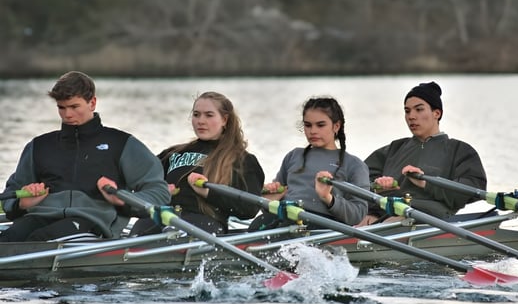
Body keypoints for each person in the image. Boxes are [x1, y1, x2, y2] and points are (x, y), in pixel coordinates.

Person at [0, 71, 171, 242]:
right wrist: (23, 203)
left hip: (92, 223)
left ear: (92, 103)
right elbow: (11, 194)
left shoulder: (122, 144)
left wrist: (122, 200)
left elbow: (159, 192)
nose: (67, 115)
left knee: (41, 239)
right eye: (61, 107)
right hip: (39, 217)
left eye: (74, 107)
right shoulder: (39, 146)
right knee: (8, 239)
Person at [129, 91, 265, 236]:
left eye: (209, 115)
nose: (200, 120)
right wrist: (157, 193)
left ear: (225, 120)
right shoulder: (171, 154)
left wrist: (209, 193)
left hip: (203, 221)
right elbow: (140, 185)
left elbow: (249, 209)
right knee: (139, 231)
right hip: (161, 216)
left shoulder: (242, 160)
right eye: (196, 114)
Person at [360, 81, 487, 225]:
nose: (411, 116)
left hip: (425, 218)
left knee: (391, 223)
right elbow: (359, 178)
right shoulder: (395, 148)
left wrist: (425, 183)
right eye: (407, 111)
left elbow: (473, 189)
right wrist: (377, 187)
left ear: (436, 113)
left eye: (419, 110)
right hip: (383, 212)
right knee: (360, 220)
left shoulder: (459, 150)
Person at [249, 96, 370, 231]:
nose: (313, 131)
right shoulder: (293, 156)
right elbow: (269, 207)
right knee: (257, 224)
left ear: (336, 126)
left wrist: (328, 198)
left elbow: (358, 214)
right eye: (308, 125)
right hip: (285, 218)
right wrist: (269, 202)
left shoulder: (354, 165)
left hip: (322, 226)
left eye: (320, 125)